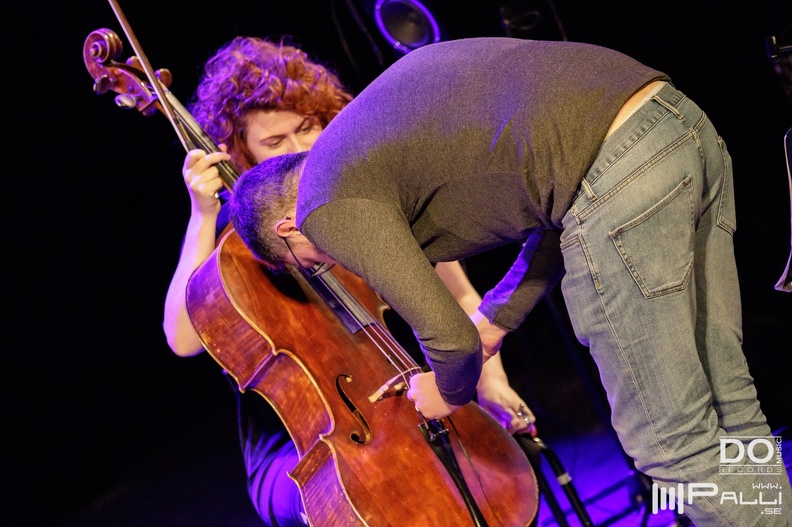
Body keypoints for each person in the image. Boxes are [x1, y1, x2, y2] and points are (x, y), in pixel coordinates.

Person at [230, 37, 792, 526]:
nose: (335, 264)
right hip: (678, 125)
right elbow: (562, 202)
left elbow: (448, 342)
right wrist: (497, 316)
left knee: (673, 448)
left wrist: (442, 391)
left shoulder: (322, 205)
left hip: (622, 172)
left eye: (316, 264)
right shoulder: (371, 148)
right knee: (731, 407)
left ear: (290, 229)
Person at [162, 36, 536, 526]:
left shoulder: (364, 200)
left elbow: (461, 294)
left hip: (404, 398)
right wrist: (201, 216)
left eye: (309, 128)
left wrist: (490, 382)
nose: (301, 150)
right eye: (274, 143)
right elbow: (184, 339)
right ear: (239, 151)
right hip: (301, 451)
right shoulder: (236, 248)